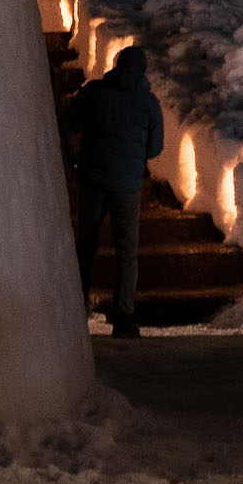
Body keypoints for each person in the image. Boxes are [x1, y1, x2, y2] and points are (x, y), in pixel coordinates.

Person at [66, 42, 165, 336]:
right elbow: (155, 148)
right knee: (126, 252)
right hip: (127, 187)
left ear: (117, 65)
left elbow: (71, 122)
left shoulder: (94, 92)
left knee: (86, 245)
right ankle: (123, 316)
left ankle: (76, 309)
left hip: (92, 180)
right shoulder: (149, 103)